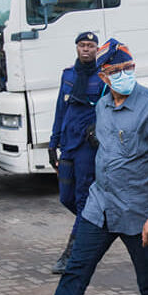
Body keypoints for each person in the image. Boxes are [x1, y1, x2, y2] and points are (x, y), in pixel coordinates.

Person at [6, 40, 148, 295]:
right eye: (116, 71)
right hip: (99, 208)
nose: (125, 75)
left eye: (128, 69)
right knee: (74, 275)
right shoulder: (102, 106)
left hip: (138, 213)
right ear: (103, 75)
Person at [48, 32, 104, 274]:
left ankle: (70, 255)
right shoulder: (68, 75)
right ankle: (93, 223)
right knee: (66, 197)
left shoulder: (103, 77)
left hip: (87, 148)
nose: (86, 49)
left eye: (90, 46)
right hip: (68, 144)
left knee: (82, 200)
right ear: (76, 47)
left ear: (96, 49)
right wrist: (53, 142)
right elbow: (61, 108)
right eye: (82, 45)